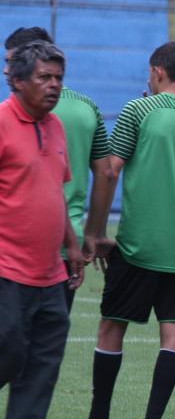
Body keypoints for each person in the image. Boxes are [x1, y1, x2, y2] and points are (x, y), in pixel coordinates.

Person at [55, 42, 175, 419]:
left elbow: (109, 170)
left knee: (111, 327)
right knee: (173, 335)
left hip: (139, 241)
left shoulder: (137, 110)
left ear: (157, 70)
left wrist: (93, 233)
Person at [0, 41, 83, 419]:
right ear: (16, 81)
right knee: (7, 353)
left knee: (41, 364)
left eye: (58, 79)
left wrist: (71, 242)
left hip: (50, 272)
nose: (53, 86)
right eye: (44, 78)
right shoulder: (0, 122)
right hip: (6, 269)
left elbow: (55, 189)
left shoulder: (55, 127)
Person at [4, 28, 113, 313]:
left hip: (20, 249)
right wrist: (93, 233)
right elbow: (106, 172)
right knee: (45, 339)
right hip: (69, 241)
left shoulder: (35, 118)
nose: (6, 70)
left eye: (11, 61)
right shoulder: (86, 107)